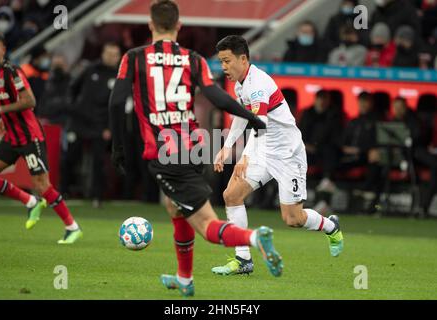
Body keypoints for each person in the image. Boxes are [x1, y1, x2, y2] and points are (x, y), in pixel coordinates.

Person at [108, 0, 283, 297]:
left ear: (151, 25)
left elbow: (115, 102)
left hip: (166, 153)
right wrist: (251, 116)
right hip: (193, 148)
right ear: (179, 26)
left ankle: (254, 239)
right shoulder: (194, 59)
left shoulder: (134, 58)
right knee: (175, 207)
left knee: (206, 225)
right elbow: (217, 97)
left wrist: (118, 147)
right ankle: (184, 279)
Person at [211, 35, 344, 276]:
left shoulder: (259, 83)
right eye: (221, 62)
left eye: (227, 61)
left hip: (287, 155)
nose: (224, 67)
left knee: (293, 218)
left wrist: (245, 157)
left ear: (243, 59)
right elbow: (243, 116)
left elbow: (260, 123)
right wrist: (228, 146)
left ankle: (330, 225)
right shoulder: (241, 84)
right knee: (231, 195)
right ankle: (243, 260)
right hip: (263, 150)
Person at [0, 31, 82, 244]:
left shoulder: (12, 71)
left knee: (42, 184)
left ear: (3, 49)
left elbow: (30, 101)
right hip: (11, 136)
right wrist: (4, 116)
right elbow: (4, 101)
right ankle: (30, 201)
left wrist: (0, 111)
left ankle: (72, 227)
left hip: (30, 136)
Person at [61, 42, 121, 208]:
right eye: (108, 53)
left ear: (118, 57)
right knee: (70, 157)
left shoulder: (119, 76)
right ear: (102, 53)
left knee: (98, 162)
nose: (111, 57)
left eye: (114, 54)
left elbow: (117, 106)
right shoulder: (90, 69)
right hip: (79, 121)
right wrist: (71, 107)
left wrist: (109, 127)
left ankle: (97, 196)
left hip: (100, 125)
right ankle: (63, 191)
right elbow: (73, 88)